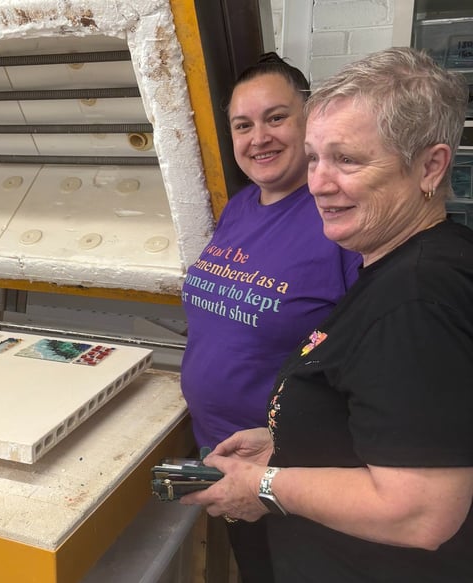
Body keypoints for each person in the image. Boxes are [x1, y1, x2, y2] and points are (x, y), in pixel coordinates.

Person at [181, 46, 473, 583]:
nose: (318, 182)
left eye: (348, 160)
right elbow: (385, 412)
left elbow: (420, 511)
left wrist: (262, 486)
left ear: (430, 166)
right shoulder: (399, 262)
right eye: (315, 158)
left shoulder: (417, 299)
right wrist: (291, 440)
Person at [179, 52, 361, 582]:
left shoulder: (336, 215)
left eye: (276, 118)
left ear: (310, 120)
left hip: (296, 469)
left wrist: (296, 452)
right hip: (224, 453)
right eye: (243, 125)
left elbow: (369, 360)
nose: (259, 137)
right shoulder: (239, 207)